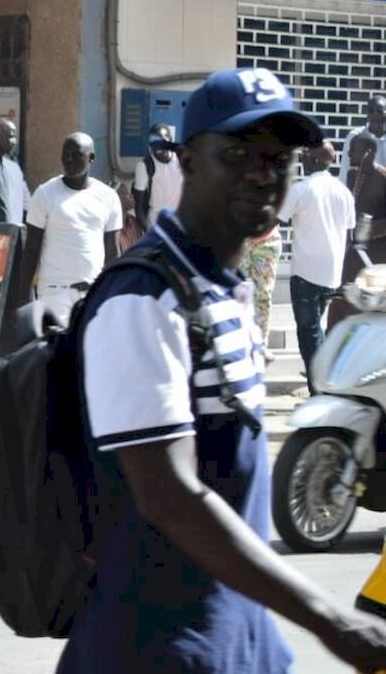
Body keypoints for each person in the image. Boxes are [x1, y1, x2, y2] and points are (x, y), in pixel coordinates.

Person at [58, 67, 386, 674]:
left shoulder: (221, 288)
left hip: (240, 642)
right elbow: (169, 494)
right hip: (154, 650)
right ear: (185, 161)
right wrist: (328, 617)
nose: (262, 173)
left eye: (277, 157)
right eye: (236, 154)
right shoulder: (144, 297)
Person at [16, 132, 123, 326]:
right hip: (54, 294)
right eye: (65, 154)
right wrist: (24, 295)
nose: (69, 159)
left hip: (93, 293)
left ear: (92, 158)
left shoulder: (108, 197)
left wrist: (112, 292)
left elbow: (113, 252)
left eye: (76, 155)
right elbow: (31, 248)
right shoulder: (45, 194)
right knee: (57, 355)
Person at [277, 141, 355, 394]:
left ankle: (320, 391)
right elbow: (350, 236)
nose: (302, 160)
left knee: (308, 334)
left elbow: (276, 220)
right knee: (315, 331)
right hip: (331, 274)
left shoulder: (302, 189)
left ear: (316, 161)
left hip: (306, 274)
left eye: (306, 156)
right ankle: (323, 386)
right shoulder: (343, 191)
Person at [328, 131, 386, 330]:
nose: (350, 154)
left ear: (368, 152)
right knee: (341, 303)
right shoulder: (353, 176)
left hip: (376, 259)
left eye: (354, 149)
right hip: (352, 255)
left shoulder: (383, 177)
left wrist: (369, 230)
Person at [238, 224, 282, 362]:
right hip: (240, 240)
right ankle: (240, 340)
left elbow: (276, 213)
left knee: (263, 296)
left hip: (266, 240)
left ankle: (261, 344)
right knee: (239, 293)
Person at [132, 123, 183, 233]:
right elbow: (138, 205)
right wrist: (147, 231)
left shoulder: (182, 160)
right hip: (156, 227)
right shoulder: (145, 166)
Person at [338, 94, 386, 184]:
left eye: (379, 111)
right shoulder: (355, 136)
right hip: (361, 194)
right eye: (371, 111)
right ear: (367, 114)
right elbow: (345, 171)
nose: (375, 115)